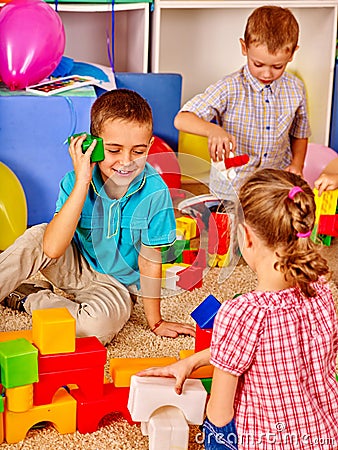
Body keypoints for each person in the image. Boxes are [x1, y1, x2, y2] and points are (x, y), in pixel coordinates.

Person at [138, 168, 338, 450]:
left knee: (215, 428)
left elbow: (220, 415)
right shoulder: (321, 289)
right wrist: (193, 361)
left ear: (245, 236)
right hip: (325, 436)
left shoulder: (242, 312)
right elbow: (278, 346)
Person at [0, 89, 195, 345]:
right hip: (73, 263)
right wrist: (82, 180)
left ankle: (29, 297)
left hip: (116, 285)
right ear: (96, 144)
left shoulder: (155, 192)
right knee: (37, 236)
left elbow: (150, 260)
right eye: (114, 150)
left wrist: (155, 321)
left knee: (94, 329)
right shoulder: (74, 181)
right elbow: (53, 247)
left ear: (149, 146)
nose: (126, 162)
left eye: (138, 152)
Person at [175, 6, 311, 202]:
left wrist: (297, 165)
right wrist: (212, 130)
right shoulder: (229, 87)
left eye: (277, 66)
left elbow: (300, 133)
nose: (267, 73)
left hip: (273, 186)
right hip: (233, 187)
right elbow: (182, 119)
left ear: (292, 54)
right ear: (244, 47)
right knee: (231, 230)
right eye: (258, 64)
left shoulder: (296, 89)